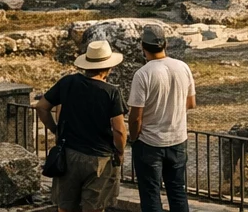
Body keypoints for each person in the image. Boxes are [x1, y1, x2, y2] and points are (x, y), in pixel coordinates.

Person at [36, 39, 127, 212]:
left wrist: (56, 130)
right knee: (94, 208)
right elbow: (119, 130)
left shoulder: (67, 82)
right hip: (99, 159)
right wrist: (120, 152)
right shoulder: (111, 92)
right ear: (108, 68)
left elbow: (41, 107)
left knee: (65, 207)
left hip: (68, 154)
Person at [129, 23, 196, 212]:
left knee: (151, 194)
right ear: (165, 44)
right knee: (177, 191)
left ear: (143, 47)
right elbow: (191, 103)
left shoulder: (143, 74)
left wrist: (134, 138)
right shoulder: (182, 67)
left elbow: (135, 117)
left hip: (150, 142)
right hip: (177, 139)